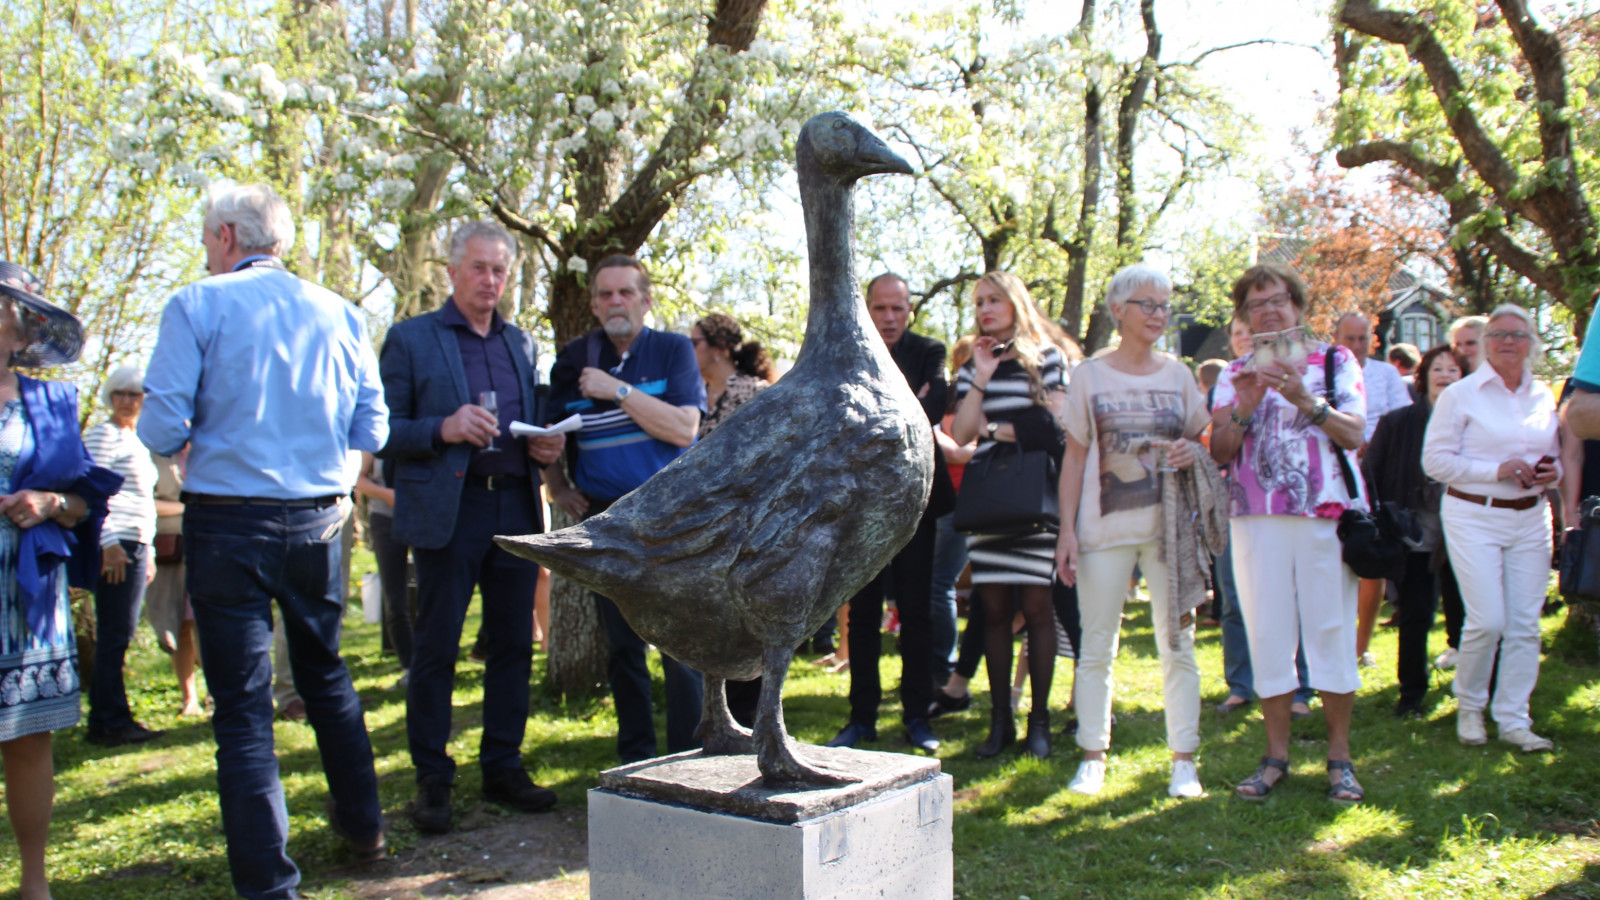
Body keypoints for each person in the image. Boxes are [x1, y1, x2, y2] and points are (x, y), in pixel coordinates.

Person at [139, 184, 389, 897]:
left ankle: (268, 883)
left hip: (229, 520)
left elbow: (158, 428)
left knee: (244, 708)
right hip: (315, 519)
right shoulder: (341, 313)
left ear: (224, 236)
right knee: (325, 674)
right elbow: (372, 432)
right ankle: (364, 827)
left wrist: (197, 435)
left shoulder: (197, 304)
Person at [377, 221, 564, 833]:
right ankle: (433, 779)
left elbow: (534, 420)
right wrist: (443, 428)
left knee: (513, 644)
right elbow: (382, 433)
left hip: (513, 504)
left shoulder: (522, 343)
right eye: (479, 268)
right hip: (448, 513)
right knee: (437, 648)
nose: (490, 280)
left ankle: (502, 766)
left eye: (500, 270)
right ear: (451, 271)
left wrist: (543, 447)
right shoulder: (411, 339)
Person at [1208, 263, 1368, 804]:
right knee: (1270, 638)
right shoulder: (1235, 372)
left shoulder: (1335, 360)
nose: (1269, 311)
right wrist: (1246, 408)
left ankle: (1340, 759)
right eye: (1257, 305)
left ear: (1298, 306)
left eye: (1278, 300)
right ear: (1245, 317)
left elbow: (1353, 434)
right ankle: (1275, 757)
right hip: (1255, 519)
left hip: (1323, 518)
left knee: (1330, 633)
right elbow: (1221, 452)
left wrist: (1307, 400)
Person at [543, 254, 706, 764]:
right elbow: (547, 436)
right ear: (593, 304)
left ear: (646, 299)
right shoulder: (572, 359)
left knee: (682, 644)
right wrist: (556, 485)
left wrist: (616, 391)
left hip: (668, 512)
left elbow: (684, 428)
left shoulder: (673, 350)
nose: (616, 302)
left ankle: (689, 754)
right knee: (622, 647)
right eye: (606, 294)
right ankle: (636, 754)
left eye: (626, 293)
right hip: (605, 518)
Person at [1056, 265, 1211, 797]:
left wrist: (1194, 449)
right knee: (1097, 646)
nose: (1159, 314)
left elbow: (1201, 438)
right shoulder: (1089, 376)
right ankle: (1093, 756)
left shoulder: (1179, 376)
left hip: (1169, 531)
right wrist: (1067, 533)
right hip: (1101, 530)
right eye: (1147, 304)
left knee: (1179, 645)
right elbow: (1075, 459)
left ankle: (1184, 761)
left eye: (1165, 305)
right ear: (1118, 310)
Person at [0, 261, 119, 900]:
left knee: (25, 736)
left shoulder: (51, 403)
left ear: (21, 330)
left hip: (25, 594)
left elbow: (82, 503)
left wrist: (48, 503)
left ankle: (34, 883)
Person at [825, 272, 954, 754]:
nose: (890, 317)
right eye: (880, 308)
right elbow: (840, 417)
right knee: (862, 615)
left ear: (910, 310)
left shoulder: (929, 351)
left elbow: (937, 404)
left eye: (898, 308)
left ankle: (918, 717)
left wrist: (879, 416)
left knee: (917, 612)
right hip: (862, 505)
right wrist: (906, 407)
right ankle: (862, 719)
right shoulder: (848, 352)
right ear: (868, 310)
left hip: (915, 502)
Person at [1422, 304, 1559, 752]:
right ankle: (1469, 707)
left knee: (1524, 625)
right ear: (1484, 343)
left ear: (1531, 343)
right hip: (1474, 513)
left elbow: (1555, 456)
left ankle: (1514, 718)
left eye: (1517, 335)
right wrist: (1496, 468)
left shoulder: (1543, 395)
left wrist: (1548, 473)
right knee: (1488, 620)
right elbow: (1435, 462)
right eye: (1498, 334)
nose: (1507, 342)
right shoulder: (1461, 394)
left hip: (1531, 514)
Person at [949, 271, 1068, 759]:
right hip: (988, 500)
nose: (985, 309)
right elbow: (959, 434)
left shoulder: (1046, 359)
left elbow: (1055, 425)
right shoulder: (975, 365)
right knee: (991, 609)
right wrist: (980, 374)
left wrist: (994, 429)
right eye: (979, 302)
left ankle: (1038, 722)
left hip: (1035, 496)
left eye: (995, 300)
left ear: (1016, 303)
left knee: (1038, 610)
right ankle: (1001, 722)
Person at [1363, 344, 1467, 717]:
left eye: (1453, 370)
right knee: (1416, 615)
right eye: (1437, 369)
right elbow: (1370, 473)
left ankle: (1473, 690)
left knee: (1468, 615)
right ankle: (1411, 696)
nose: (1445, 375)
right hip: (1417, 534)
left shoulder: (1474, 420)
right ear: (1423, 377)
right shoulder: (1397, 422)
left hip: (1466, 533)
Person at [690, 311, 776, 726]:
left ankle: (752, 716)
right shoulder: (689, 395)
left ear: (720, 348)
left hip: (747, 529)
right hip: (700, 531)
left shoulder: (757, 394)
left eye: (695, 342)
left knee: (748, 622)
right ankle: (715, 715)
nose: (689, 351)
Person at [81, 365, 164, 746]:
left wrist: (147, 553)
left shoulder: (137, 439)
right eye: (121, 394)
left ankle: (107, 716)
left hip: (136, 542)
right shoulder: (104, 435)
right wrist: (107, 542)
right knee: (115, 633)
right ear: (110, 397)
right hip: (116, 543)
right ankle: (110, 721)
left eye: (136, 395)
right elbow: (92, 493)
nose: (128, 402)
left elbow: (143, 499)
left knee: (120, 632)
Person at [1335, 312, 1413, 670]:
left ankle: (1360, 646)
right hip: (1334, 475)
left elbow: (1403, 422)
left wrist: (1372, 444)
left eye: (1362, 338)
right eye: (1349, 338)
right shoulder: (1324, 371)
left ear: (1373, 340)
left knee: (1372, 561)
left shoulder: (1387, 375)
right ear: (1336, 338)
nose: (1356, 346)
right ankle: (1331, 642)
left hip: (1376, 476)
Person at [144, 446, 201, 716]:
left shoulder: (209, 448)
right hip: (170, 549)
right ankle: (189, 697)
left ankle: (218, 689)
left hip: (208, 547)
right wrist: (186, 507)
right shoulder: (155, 455)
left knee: (211, 619)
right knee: (178, 623)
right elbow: (145, 501)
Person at [354, 451, 411, 689]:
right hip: (385, 518)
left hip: (426, 517)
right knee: (395, 597)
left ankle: (434, 665)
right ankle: (410, 667)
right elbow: (358, 480)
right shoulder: (377, 434)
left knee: (434, 596)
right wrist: (387, 495)